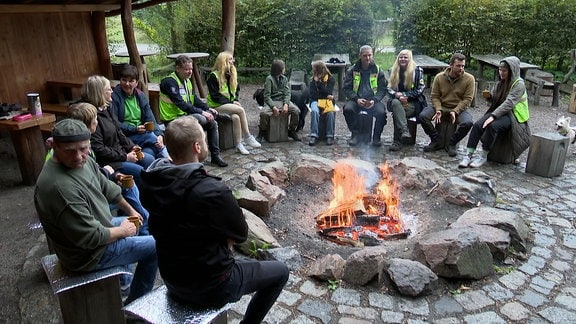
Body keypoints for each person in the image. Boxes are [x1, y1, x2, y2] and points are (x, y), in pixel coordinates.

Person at [139, 116, 289, 323]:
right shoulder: (211, 190)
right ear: (197, 146)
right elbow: (240, 233)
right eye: (205, 138)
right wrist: (223, 238)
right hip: (211, 286)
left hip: (173, 279)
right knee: (281, 272)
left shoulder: (152, 182)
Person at [34, 118, 158, 305]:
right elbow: (90, 237)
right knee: (156, 246)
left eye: (83, 149)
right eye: (70, 151)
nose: (78, 156)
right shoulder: (59, 187)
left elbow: (107, 187)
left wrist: (132, 210)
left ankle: (123, 284)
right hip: (88, 255)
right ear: (54, 146)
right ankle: (135, 304)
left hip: (98, 229)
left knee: (135, 223)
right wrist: (124, 231)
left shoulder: (84, 161)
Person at [67, 102, 150, 235]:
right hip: (93, 201)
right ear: (90, 125)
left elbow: (94, 171)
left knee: (130, 185)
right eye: (95, 120)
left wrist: (115, 175)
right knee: (136, 179)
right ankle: (144, 226)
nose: (97, 122)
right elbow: (89, 179)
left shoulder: (83, 144)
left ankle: (142, 220)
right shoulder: (81, 150)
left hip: (104, 178)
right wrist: (111, 170)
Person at [82, 75, 154, 186]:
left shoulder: (107, 107)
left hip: (120, 152)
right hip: (110, 162)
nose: (112, 91)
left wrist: (131, 146)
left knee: (149, 158)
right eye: (108, 89)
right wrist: (125, 157)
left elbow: (118, 131)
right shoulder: (91, 117)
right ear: (100, 93)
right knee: (141, 172)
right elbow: (99, 149)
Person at [459, 56, 531, 168]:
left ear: (512, 70)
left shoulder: (519, 84)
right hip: (498, 111)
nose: (501, 73)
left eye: (504, 71)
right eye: (500, 70)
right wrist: (489, 97)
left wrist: (492, 116)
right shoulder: (500, 83)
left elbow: (509, 103)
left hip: (514, 115)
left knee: (493, 126)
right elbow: (495, 100)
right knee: (478, 125)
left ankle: (483, 156)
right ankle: (468, 155)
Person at [159, 55, 228, 167]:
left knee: (212, 123)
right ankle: (196, 157)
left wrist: (207, 108)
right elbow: (181, 104)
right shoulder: (169, 82)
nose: (190, 72)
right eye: (186, 69)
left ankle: (215, 156)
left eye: (191, 69)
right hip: (173, 120)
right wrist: (202, 113)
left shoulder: (187, 81)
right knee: (201, 118)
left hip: (184, 117)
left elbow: (194, 99)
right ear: (177, 68)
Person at [206, 51, 261, 155]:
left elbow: (236, 90)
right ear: (224, 61)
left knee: (236, 117)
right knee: (240, 110)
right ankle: (248, 136)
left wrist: (234, 100)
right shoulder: (213, 76)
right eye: (230, 59)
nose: (233, 61)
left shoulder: (232, 74)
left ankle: (238, 145)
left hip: (227, 105)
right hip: (215, 105)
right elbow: (215, 96)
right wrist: (232, 102)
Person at [420, 53, 475, 156]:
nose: (461, 69)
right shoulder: (439, 77)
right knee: (423, 116)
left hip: (458, 109)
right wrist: (438, 109)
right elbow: (435, 96)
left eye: (463, 66)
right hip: (442, 106)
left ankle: (452, 143)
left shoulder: (469, 79)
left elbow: (467, 99)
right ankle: (435, 140)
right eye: (458, 66)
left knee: (468, 123)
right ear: (451, 65)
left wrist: (455, 111)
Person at [111, 64, 169, 159]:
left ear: (136, 83)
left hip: (142, 135)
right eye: (124, 80)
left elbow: (150, 119)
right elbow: (115, 123)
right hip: (125, 137)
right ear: (120, 80)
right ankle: (169, 160)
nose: (127, 84)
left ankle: (162, 164)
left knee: (150, 154)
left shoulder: (140, 96)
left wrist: (159, 135)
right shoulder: (114, 97)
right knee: (151, 137)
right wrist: (135, 129)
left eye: (131, 81)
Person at [342, 45, 388, 147]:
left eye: (370, 55)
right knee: (348, 109)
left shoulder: (378, 70)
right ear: (360, 56)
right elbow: (346, 88)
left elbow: (382, 89)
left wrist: (375, 100)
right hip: (356, 100)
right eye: (365, 55)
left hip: (373, 100)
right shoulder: (352, 70)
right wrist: (356, 99)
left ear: (372, 55)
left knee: (381, 113)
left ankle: (376, 137)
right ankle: (355, 134)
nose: (367, 58)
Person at [386, 49, 427, 152]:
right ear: (398, 58)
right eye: (401, 57)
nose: (403, 59)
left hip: (413, 103)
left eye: (405, 57)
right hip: (397, 101)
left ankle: (397, 141)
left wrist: (405, 95)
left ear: (409, 58)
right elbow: (388, 88)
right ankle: (404, 131)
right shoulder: (392, 70)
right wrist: (397, 95)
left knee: (397, 111)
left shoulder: (417, 71)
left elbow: (420, 89)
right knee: (396, 104)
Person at [258, 59, 301, 142]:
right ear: (279, 69)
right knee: (263, 114)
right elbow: (267, 96)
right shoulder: (269, 79)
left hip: (282, 101)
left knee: (296, 111)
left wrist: (286, 104)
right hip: (272, 101)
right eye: (283, 68)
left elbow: (287, 93)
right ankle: (262, 132)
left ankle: (291, 130)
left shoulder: (284, 79)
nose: (285, 69)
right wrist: (273, 107)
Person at [308, 60, 336, 146]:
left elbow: (329, 91)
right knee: (315, 111)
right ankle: (314, 135)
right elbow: (313, 95)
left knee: (331, 113)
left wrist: (319, 84)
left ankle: (329, 136)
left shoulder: (331, 79)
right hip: (315, 101)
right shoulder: (312, 80)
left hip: (327, 102)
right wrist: (325, 94)